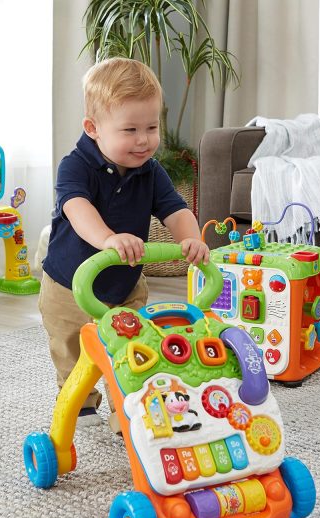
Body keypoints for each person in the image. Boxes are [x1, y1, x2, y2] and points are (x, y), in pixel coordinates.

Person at [39, 57, 209, 433]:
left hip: (125, 285)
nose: (144, 139)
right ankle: (80, 403)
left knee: (133, 349)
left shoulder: (151, 171)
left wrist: (192, 240)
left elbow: (176, 210)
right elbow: (77, 208)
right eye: (130, 130)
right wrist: (108, 239)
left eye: (152, 127)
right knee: (72, 351)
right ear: (93, 128)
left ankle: (128, 409)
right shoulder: (74, 166)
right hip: (68, 285)